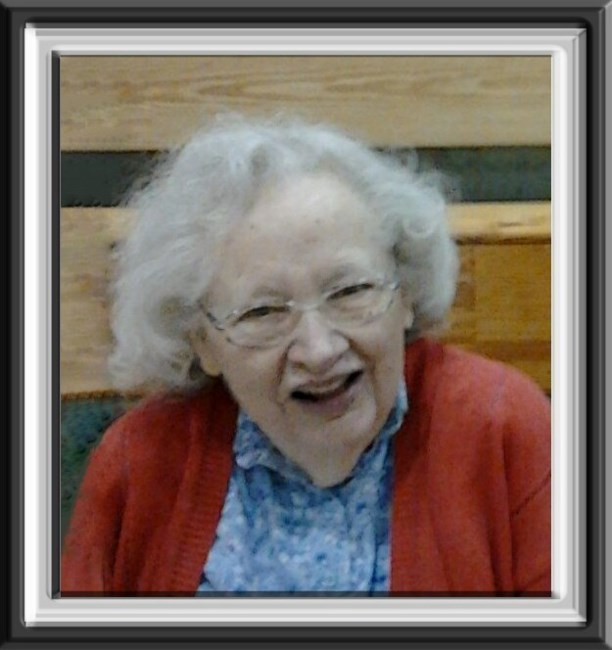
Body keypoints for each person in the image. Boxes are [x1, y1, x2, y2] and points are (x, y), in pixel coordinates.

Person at [61, 114, 551, 596]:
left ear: (405, 294)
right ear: (203, 341)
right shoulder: (139, 466)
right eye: (263, 312)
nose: (319, 350)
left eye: (351, 291)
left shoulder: (502, 430)